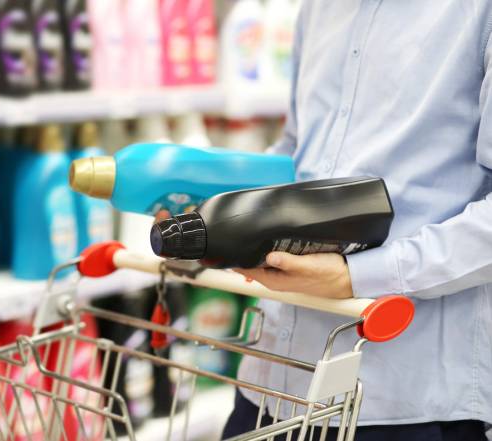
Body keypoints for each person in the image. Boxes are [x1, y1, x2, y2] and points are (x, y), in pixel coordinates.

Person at [201, 1, 492, 440]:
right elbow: (297, 154)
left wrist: (356, 276)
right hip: (271, 382)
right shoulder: (318, 9)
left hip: (401, 401)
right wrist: (213, 214)